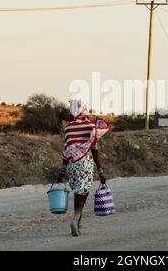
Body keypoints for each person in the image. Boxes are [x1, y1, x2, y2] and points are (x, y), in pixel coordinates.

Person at [57, 100, 110, 237]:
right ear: (83, 110)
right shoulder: (90, 126)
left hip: (72, 165)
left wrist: (62, 171)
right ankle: (75, 219)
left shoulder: (68, 128)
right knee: (83, 194)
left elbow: (67, 150)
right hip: (85, 164)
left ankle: (79, 223)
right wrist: (101, 171)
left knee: (78, 194)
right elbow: (94, 150)